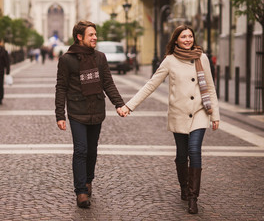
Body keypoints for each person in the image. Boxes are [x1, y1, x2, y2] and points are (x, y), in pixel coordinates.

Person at [120, 25, 220, 214]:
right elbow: (151, 85)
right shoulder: (169, 61)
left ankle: (193, 197)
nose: (188, 39)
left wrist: (215, 114)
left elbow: (211, 87)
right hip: (179, 113)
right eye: (184, 37)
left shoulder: (202, 58)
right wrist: (129, 106)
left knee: (194, 150)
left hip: (199, 111)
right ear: (176, 40)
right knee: (182, 155)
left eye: (190, 36)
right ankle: (184, 186)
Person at [55, 21, 125, 208]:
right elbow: (61, 88)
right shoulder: (67, 59)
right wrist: (60, 114)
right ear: (80, 37)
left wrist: (119, 104)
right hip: (77, 112)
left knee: (92, 151)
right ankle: (80, 192)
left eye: (95, 34)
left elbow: (108, 83)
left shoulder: (100, 58)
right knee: (81, 150)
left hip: (96, 110)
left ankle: (88, 180)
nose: (95, 37)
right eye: (91, 35)